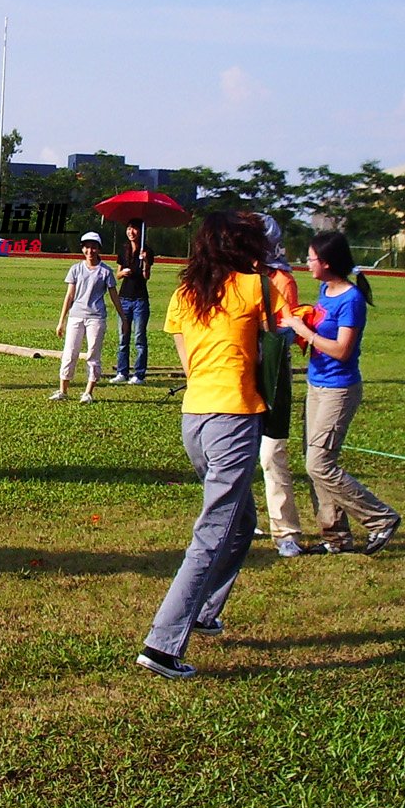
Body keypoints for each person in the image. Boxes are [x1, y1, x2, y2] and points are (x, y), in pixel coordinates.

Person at [136, 210, 284, 680]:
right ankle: (162, 644)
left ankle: (202, 610)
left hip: (195, 417)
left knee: (241, 525)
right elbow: (276, 339)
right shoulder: (255, 287)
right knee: (213, 532)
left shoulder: (184, 293)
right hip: (235, 417)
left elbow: (188, 363)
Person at [281, 231, 401, 556]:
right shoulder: (325, 290)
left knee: (319, 464)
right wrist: (301, 332)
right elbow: (321, 335)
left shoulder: (351, 300)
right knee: (315, 461)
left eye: (311, 259)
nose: (306, 264)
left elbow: (343, 350)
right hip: (316, 384)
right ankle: (335, 538)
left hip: (339, 389)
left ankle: (381, 519)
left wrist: (303, 330)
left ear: (328, 262)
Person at [252, 214, 305, 559]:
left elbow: (285, 328)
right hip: (237, 374)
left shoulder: (281, 280)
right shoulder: (234, 277)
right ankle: (243, 519)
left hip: (270, 374)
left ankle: (285, 531)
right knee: (237, 453)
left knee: (271, 454)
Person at [51, 231, 124, 404]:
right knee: (70, 352)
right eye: (87, 247)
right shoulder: (76, 269)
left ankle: (88, 392)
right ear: (82, 249)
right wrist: (61, 321)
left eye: (93, 247)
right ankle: (63, 390)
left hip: (96, 317)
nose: (90, 251)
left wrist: (123, 317)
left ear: (98, 249)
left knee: (93, 353)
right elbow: (69, 296)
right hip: (76, 316)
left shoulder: (105, 272)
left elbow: (114, 296)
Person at [110, 218, 154, 385]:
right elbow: (118, 275)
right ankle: (122, 372)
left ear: (141, 232)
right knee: (123, 337)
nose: (131, 232)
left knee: (139, 338)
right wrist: (124, 273)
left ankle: (139, 374)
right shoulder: (124, 249)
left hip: (140, 300)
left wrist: (146, 262)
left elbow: (146, 277)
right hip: (124, 299)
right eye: (129, 228)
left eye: (134, 229)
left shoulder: (147, 251)